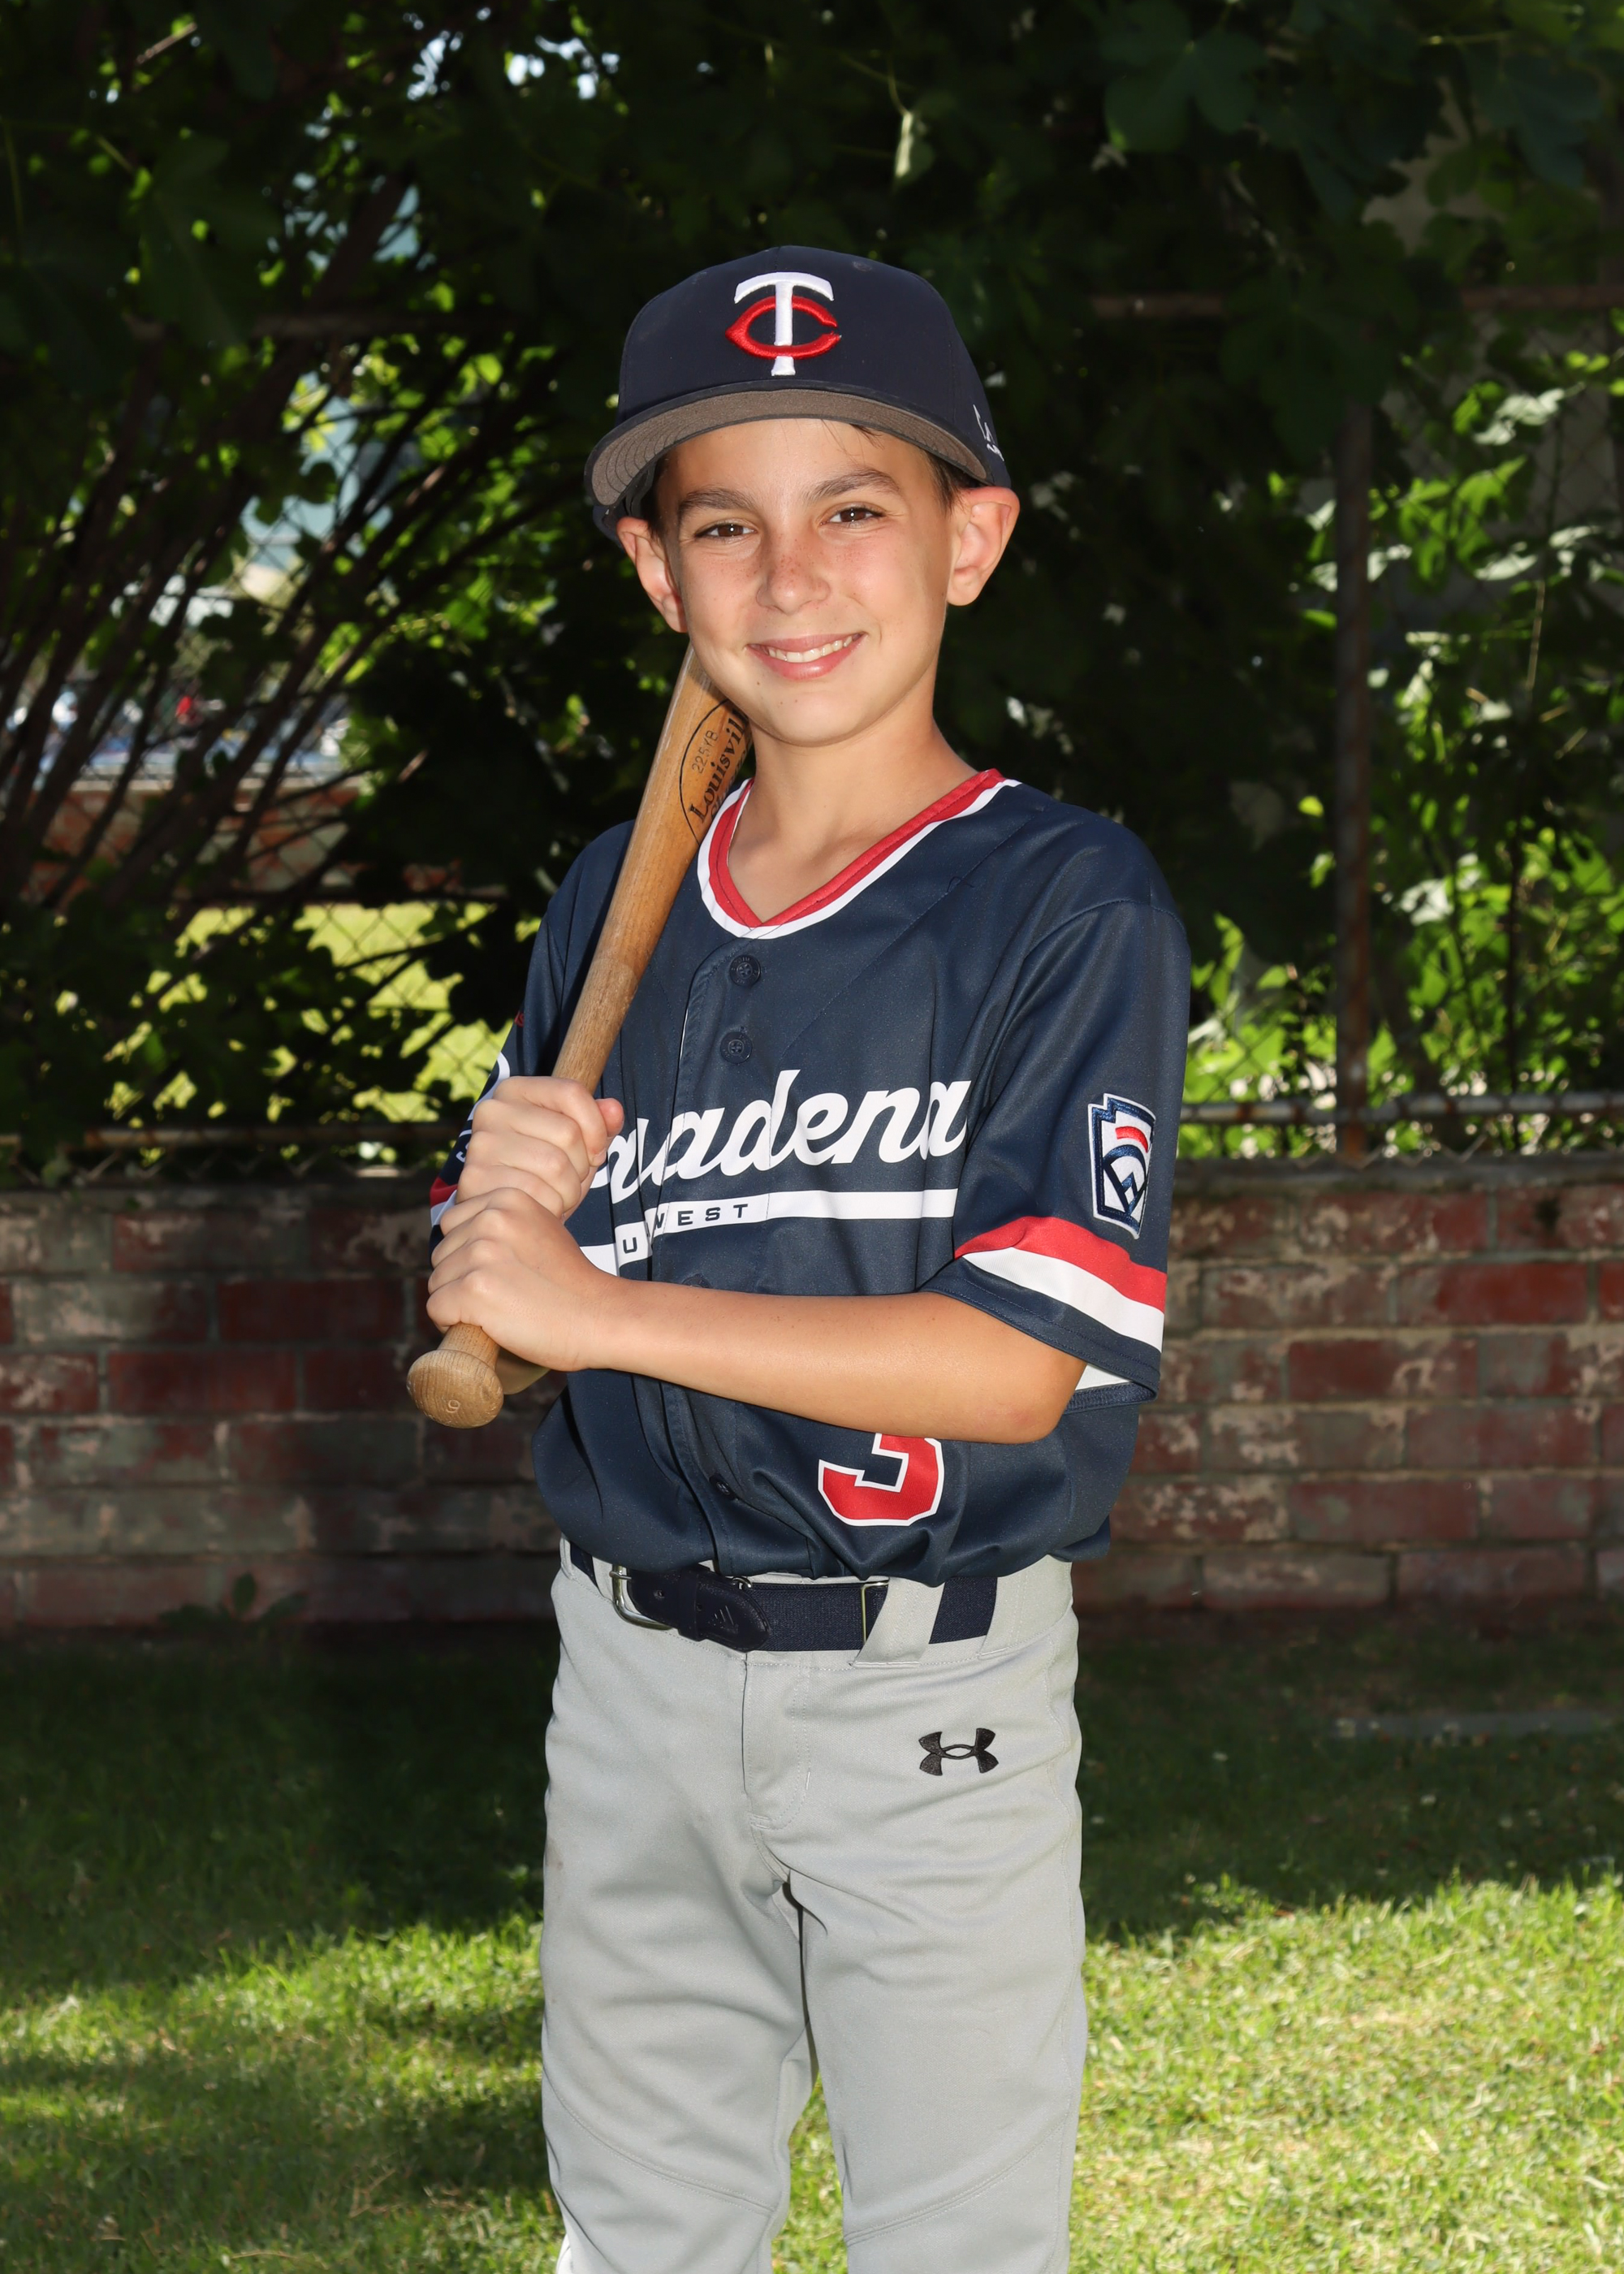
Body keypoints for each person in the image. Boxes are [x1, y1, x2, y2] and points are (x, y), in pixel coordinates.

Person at [426, 247, 1188, 2274]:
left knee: (951, 2245)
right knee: (640, 2234)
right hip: (629, 1671)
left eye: (854, 507)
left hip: (923, 1692)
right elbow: (530, 1308)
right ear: (656, 574)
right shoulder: (618, 895)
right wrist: (502, 1226)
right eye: (723, 527)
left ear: (970, 539)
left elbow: (1016, 1359)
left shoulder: (1060, 900)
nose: (791, 578)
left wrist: (583, 1304)